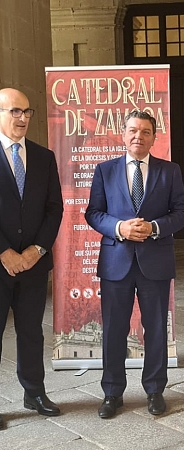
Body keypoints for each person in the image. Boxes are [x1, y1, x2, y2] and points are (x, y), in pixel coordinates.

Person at [85, 110, 184, 419]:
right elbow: (93, 213)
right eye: (132, 130)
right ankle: (112, 392)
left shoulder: (170, 171)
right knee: (114, 330)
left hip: (154, 262)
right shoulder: (105, 170)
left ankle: (155, 390)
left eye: (145, 131)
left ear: (155, 137)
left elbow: (182, 212)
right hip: (116, 262)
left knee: (155, 329)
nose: (138, 136)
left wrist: (154, 227)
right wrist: (120, 228)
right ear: (123, 133)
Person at [0, 88, 64, 429]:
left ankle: (34, 392)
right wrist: (5, 252)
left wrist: (36, 250)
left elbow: (55, 208)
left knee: (31, 332)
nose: (22, 118)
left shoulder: (43, 157)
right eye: (14, 112)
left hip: (34, 265)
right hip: (0, 263)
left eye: (27, 112)